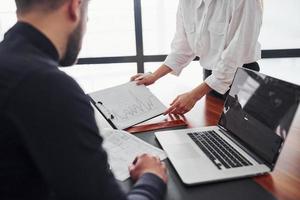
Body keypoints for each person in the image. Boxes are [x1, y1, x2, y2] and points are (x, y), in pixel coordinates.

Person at [0, 0, 167, 199]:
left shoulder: (8, 61)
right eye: (87, 16)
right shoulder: (47, 85)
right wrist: (152, 177)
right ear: (74, 7)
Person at [131, 0, 263, 115]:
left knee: (241, 134)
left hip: (243, 76)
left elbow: (235, 55)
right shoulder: (186, 2)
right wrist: (154, 76)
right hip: (210, 77)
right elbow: (182, 48)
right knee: (211, 132)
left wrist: (194, 96)